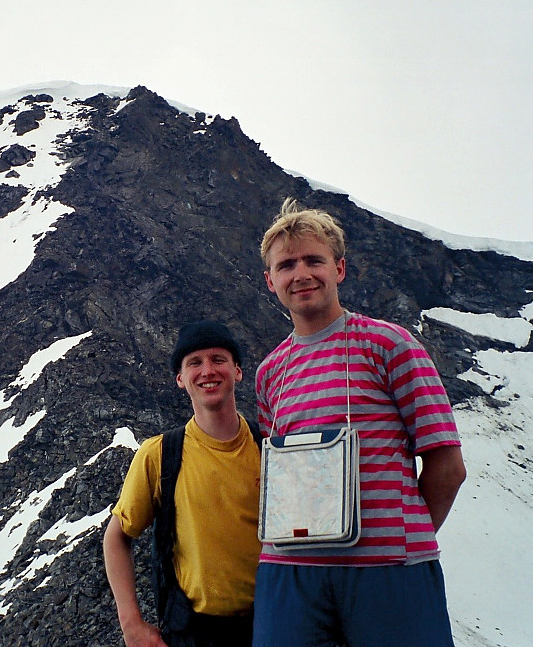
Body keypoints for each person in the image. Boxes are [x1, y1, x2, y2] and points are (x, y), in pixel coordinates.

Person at [253, 198, 467, 647]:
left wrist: (402, 537)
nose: (302, 274)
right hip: (289, 573)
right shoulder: (270, 372)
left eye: (315, 259)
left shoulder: (390, 345)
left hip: (388, 571)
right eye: (287, 264)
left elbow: (447, 464)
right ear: (271, 281)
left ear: (340, 269)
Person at [103, 321, 262, 647]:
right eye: (195, 363)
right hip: (194, 633)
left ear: (237, 370)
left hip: (270, 626)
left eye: (218, 359)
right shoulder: (160, 455)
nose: (208, 371)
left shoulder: (269, 447)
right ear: (180, 379)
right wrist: (131, 623)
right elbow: (116, 538)